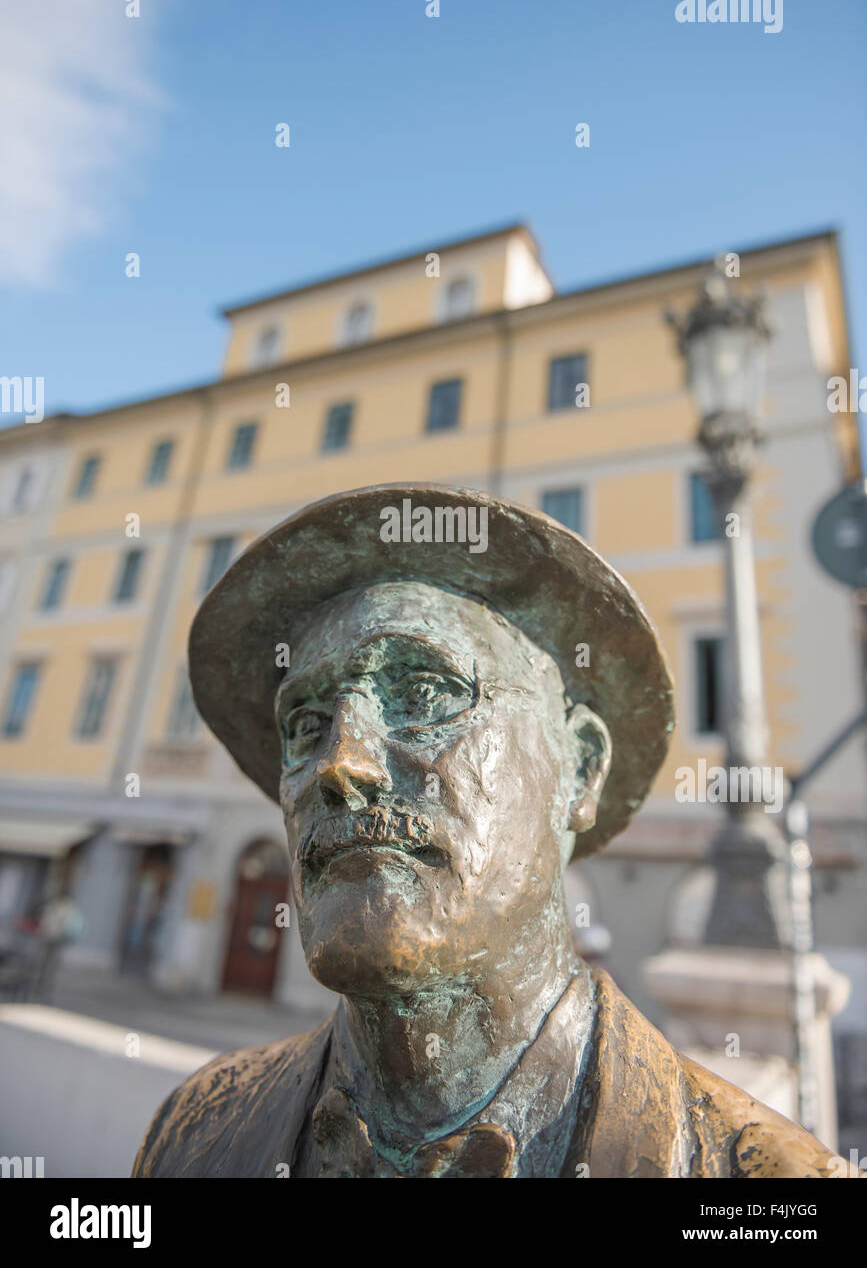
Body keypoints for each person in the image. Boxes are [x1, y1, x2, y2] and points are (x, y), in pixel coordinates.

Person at [134, 485, 847, 1178]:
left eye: (423, 694)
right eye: (306, 726)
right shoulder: (192, 1132)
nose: (339, 764)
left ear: (582, 770)